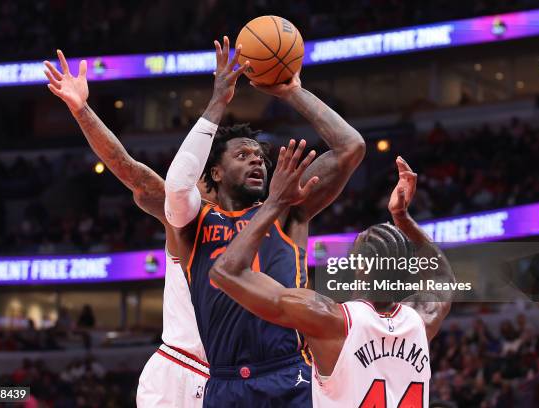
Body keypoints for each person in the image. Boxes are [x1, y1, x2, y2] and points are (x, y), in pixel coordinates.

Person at [164, 37, 365, 407]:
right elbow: (177, 186)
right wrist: (217, 103)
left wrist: (293, 91)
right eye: (243, 155)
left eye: (260, 156)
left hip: (290, 373)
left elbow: (350, 147)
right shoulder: (194, 224)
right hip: (224, 382)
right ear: (217, 173)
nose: (257, 161)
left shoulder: (289, 206)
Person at [42, 39, 244, 407]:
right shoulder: (183, 216)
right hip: (179, 368)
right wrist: (82, 109)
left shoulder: (258, 223)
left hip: (231, 375)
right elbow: (126, 166)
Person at [209, 150, 454, 407]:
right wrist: (403, 218)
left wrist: (275, 202)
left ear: (360, 267)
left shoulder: (330, 319)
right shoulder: (421, 320)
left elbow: (226, 271)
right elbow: (443, 278)